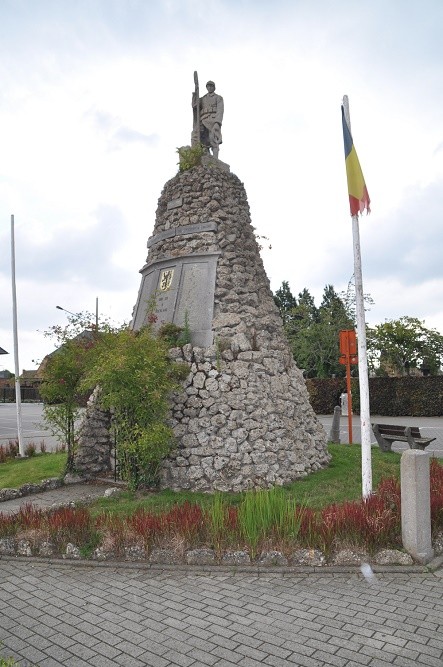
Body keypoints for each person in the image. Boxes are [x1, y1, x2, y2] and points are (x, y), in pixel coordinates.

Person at [192, 80, 224, 159]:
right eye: (208, 86)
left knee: (212, 139)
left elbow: (220, 111)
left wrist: (217, 123)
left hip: (212, 120)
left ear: (214, 87)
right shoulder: (203, 98)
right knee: (201, 139)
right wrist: (195, 94)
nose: (210, 87)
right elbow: (195, 105)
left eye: (211, 86)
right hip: (202, 120)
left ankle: (215, 159)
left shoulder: (218, 98)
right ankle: (206, 156)